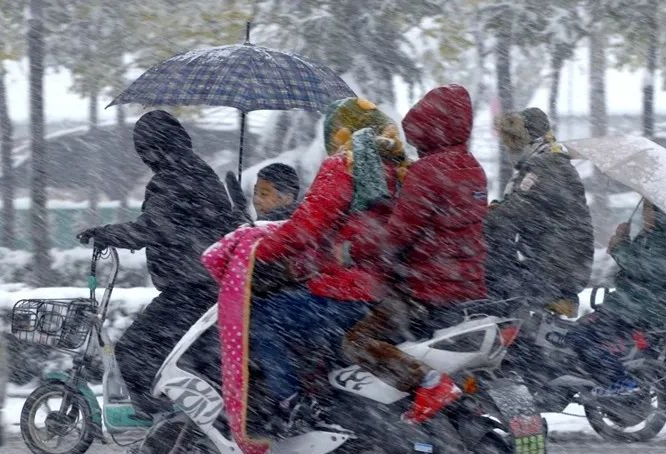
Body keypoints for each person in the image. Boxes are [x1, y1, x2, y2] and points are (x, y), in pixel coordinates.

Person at [248, 97, 408, 427]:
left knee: (262, 316)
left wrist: (254, 253)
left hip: (347, 292)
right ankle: (323, 399)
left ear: (337, 133)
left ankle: (291, 401)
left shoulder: (346, 166)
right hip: (385, 292)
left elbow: (305, 228)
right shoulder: (398, 170)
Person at [342, 84, 487, 422]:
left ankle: (428, 382)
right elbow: (443, 219)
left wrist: (353, 249)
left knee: (355, 342)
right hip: (466, 286)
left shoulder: (427, 171)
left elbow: (398, 236)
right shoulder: (472, 167)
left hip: (426, 289)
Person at [78, 110, 238, 415]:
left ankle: (162, 420)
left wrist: (105, 234)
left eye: (144, 149)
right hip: (208, 284)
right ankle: (174, 417)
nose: (144, 158)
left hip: (190, 288)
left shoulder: (173, 178)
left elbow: (153, 228)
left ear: (154, 147)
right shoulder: (198, 171)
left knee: (132, 353)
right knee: (178, 358)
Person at [567, 201, 666, 395]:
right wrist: (623, 240)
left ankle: (618, 379)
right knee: (579, 332)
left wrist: (620, 247)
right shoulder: (654, 235)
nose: (644, 215)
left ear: (660, 213)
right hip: (632, 304)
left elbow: (644, 269)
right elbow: (638, 265)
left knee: (583, 336)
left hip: (641, 309)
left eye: (648, 210)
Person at [484, 107, 594, 315]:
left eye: (515, 143)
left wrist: (482, 216)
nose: (510, 151)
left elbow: (514, 213)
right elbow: (524, 206)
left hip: (554, 271)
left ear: (530, 140)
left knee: (492, 292)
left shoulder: (546, 166)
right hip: (562, 267)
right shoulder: (550, 162)